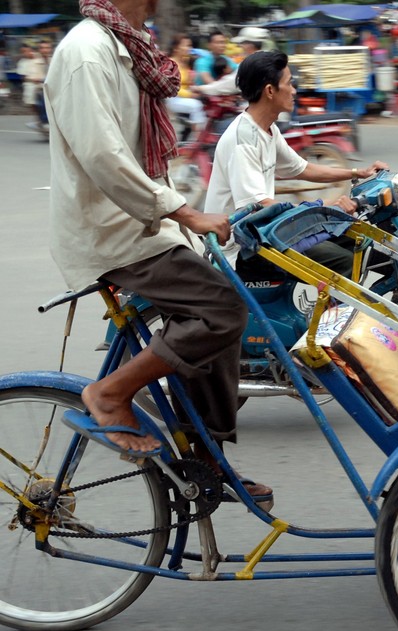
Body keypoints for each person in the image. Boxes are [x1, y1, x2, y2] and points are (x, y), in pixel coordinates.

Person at [44, 0, 273, 501]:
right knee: (222, 311)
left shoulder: (130, 45)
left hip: (143, 223)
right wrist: (187, 214)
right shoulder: (87, 52)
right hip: (113, 227)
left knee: (218, 313)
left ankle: (205, 459)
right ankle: (109, 394)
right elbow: (104, 156)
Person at [204, 51, 387, 271]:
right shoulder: (243, 140)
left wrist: (358, 172)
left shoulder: (267, 128)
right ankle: (337, 307)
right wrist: (323, 210)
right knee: (345, 261)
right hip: (241, 247)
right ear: (270, 91)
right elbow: (259, 207)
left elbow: (303, 168)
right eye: (289, 84)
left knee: (360, 240)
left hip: (266, 232)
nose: (294, 90)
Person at [164, 34, 206, 135]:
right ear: (176, 48)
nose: (189, 48)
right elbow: (171, 86)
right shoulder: (170, 63)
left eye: (190, 45)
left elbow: (186, 84)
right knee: (197, 106)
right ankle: (199, 137)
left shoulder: (185, 62)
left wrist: (196, 89)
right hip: (172, 99)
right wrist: (189, 94)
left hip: (183, 97)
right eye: (186, 45)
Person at [23, 39, 51, 130]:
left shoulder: (53, 60)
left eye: (47, 48)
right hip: (41, 88)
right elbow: (32, 77)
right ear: (39, 49)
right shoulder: (34, 62)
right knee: (42, 95)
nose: (45, 50)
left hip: (54, 87)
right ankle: (45, 121)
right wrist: (40, 79)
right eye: (43, 48)